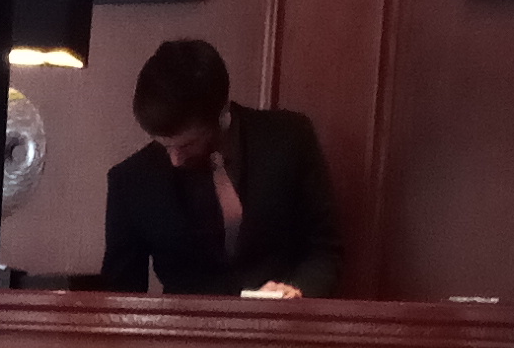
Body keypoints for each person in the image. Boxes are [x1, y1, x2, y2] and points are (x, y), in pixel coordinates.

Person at [95, 39, 341, 296]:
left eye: (187, 145)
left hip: (283, 317)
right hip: (185, 321)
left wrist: (298, 290)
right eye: (164, 145)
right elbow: (120, 295)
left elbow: (324, 248)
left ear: (222, 113)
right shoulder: (131, 181)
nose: (175, 159)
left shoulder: (290, 140)